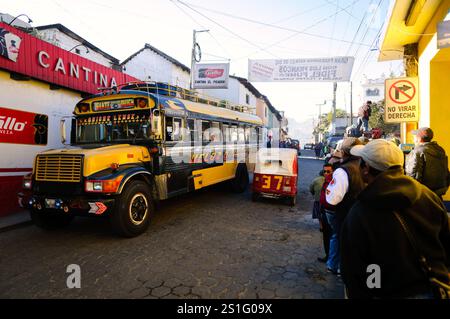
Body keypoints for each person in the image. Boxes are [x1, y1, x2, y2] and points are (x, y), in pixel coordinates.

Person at [341, 139, 450, 298]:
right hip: (434, 289)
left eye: (360, 162)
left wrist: (373, 289)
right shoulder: (429, 196)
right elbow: (446, 244)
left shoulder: (361, 213)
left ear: (366, 168)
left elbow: (355, 270)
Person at [325, 137, 365, 275]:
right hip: (360, 213)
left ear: (344, 153)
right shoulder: (365, 167)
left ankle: (339, 267)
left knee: (340, 238)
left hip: (345, 213)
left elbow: (333, 198)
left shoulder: (343, 171)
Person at [405, 127, 450, 199]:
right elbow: (446, 171)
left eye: (415, 137)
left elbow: (413, 174)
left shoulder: (418, 151)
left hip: (424, 196)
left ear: (419, 139)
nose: (413, 139)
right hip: (438, 194)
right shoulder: (440, 150)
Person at [317, 163, 336, 263]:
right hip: (323, 211)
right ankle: (328, 255)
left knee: (331, 236)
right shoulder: (325, 181)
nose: (326, 173)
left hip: (330, 213)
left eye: (328, 171)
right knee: (326, 235)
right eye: (324, 171)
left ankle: (331, 259)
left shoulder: (334, 182)